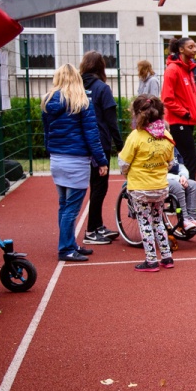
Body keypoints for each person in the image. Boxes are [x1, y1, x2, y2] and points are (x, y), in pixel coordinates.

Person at [41, 63, 108, 262]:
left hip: (57, 159)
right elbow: (91, 134)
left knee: (64, 205)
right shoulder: (82, 101)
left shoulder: (48, 101)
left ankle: (69, 243)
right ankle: (65, 248)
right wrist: (101, 160)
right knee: (71, 207)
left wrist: (51, 151)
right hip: (76, 159)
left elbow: (47, 133)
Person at [118, 94, 176, 272]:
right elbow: (171, 163)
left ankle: (151, 259)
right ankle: (166, 256)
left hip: (140, 188)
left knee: (145, 222)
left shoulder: (135, 137)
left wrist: (129, 174)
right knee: (158, 220)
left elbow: (124, 164)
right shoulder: (166, 135)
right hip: (159, 186)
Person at [79, 51, 123, 246]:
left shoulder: (77, 87)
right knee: (99, 187)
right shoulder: (102, 89)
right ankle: (91, 230)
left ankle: (97, 225)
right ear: (101, 67)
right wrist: (120, 145)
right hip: (100, 143)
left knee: (93, 185)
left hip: (81, 143)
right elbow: (111, 120)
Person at [162, 36, 196, 182]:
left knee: (186, 159)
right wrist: (185, 113)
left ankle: (185, 194)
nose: (195, 50)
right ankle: (188, 194)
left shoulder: (188, 69)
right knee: (189, 159)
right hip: (178, 121)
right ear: (181, 49)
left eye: (195, 46)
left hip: (186, 121)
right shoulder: (173, 69)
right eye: (190, 47)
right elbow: (167, 99)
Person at [168, 147, 196, 231]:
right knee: (178, 186)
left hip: (177, 178)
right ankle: (184, 219)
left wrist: (183, 176)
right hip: (162, 179)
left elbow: (181, 167)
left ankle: (192, 218)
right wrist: (177, 178)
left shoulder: (173, 147)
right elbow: (158, 172)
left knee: (193, 185)